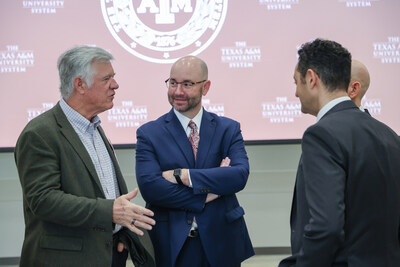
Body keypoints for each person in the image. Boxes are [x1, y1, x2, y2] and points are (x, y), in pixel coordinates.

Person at [14, 45, 156, 267]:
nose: (115, 85)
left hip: (107, 255)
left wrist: (120, 234)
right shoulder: (39, 133)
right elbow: (43, 200)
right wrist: (110, 212)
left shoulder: (94, 127)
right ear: (79, 84)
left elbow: (102, 193)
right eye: (106, 78)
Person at [279, 39, 400, 267]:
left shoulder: (321, 135)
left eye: (296, 82)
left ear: (311, 79)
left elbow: (326, 227)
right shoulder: (390, 136)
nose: (295, 93)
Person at [135, 56, 254, 267]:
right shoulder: (149, 133)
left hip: (222, 242)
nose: (178, 91)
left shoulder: (228, 129)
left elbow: (239, 176)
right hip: (172, 244)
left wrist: (183, 176)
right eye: (173, 83)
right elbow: (151, 188)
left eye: (187, 84)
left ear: (205, 87)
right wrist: (211, 192)